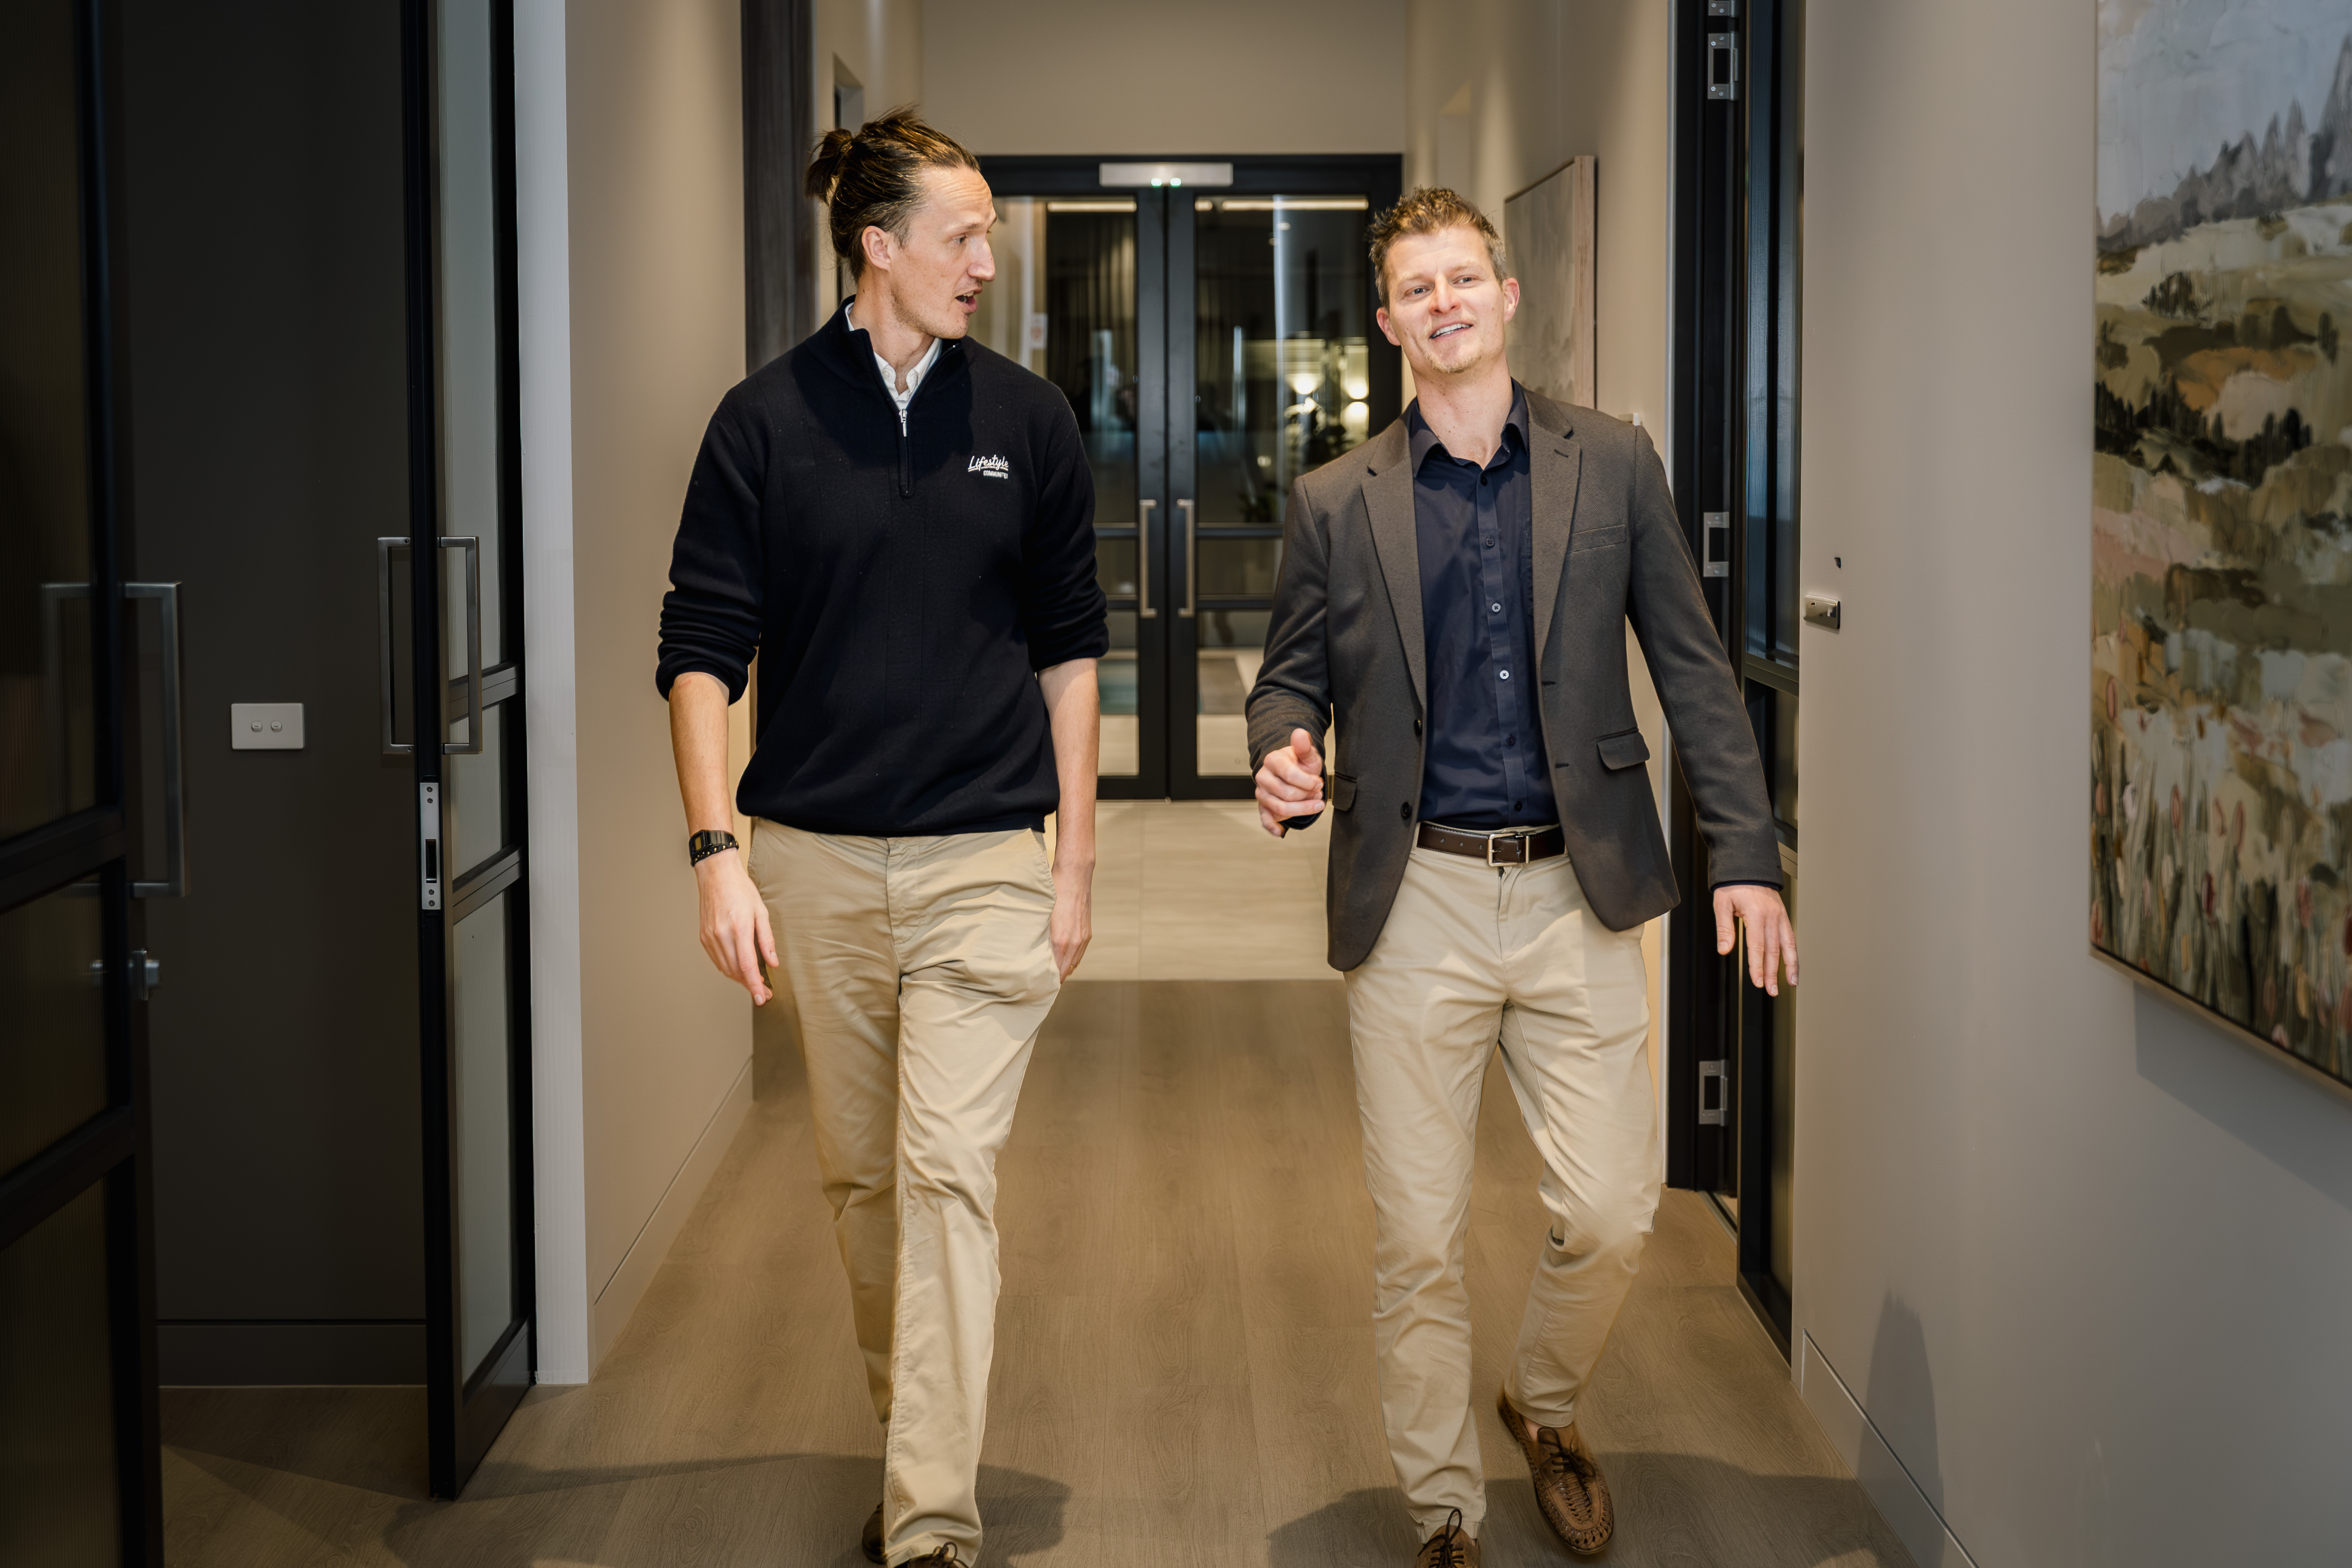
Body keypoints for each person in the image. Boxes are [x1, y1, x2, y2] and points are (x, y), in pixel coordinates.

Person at [1247, 187, 1795, 1567]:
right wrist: (1281, 750)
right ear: (1389, 325)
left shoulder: (1611, 463)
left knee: (1613, 1213)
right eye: (1414, 290)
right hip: (1414, 892)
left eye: (1461, 280)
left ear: (1504, 297)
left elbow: (1691, 665)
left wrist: (1748, 853)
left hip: (1580, 889)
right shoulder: (1334, 501)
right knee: (1417, 1237)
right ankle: (1443, 1508)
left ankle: (1542, 1408)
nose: (1443, 304)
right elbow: (1287, 679)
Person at [655, 108, 1105, 1568]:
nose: (988, 259)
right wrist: (715, 850)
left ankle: (928, 1523)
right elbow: (702, 649)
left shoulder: (1028, 423)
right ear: (880, 245)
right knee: (863, 1187)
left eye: (988, 232)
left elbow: (1073, 655)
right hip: (815, 863)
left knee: (946, 1178)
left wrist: (1074, 867)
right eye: (962, 233)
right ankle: (919, 1436)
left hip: (986, 858)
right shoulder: (765, 423)